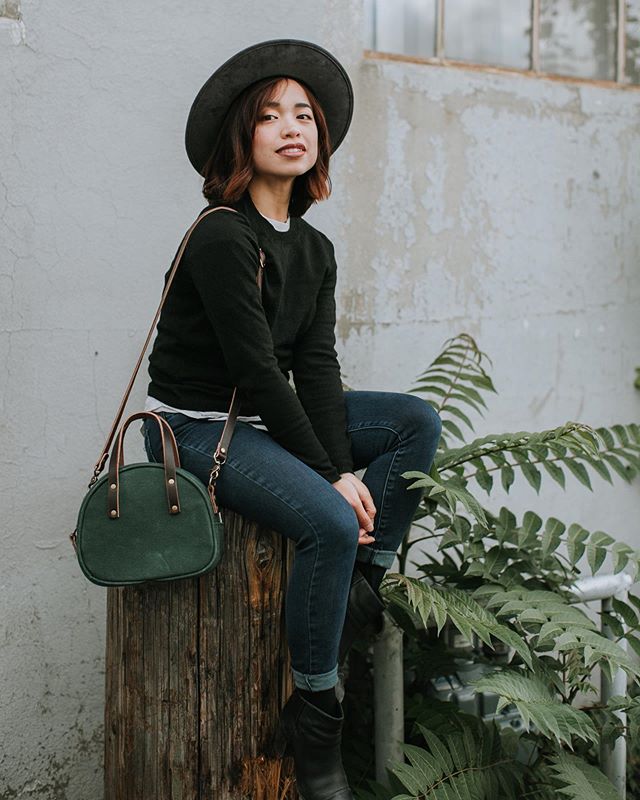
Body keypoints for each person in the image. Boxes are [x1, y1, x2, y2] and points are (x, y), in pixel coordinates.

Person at [142, 39, 442, 800]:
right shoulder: (221, 233)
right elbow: (254, 373)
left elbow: (314, 371)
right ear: (243, 138)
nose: (291, 126)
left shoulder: (314, 248)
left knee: (415, 421)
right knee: (328, 523)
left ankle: (359, 593)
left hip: (267, 418)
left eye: (304, 114)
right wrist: (334, 475)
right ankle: (317, 713)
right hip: (199, 426)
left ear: (319, 139)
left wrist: (340, 464)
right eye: (270, 115)